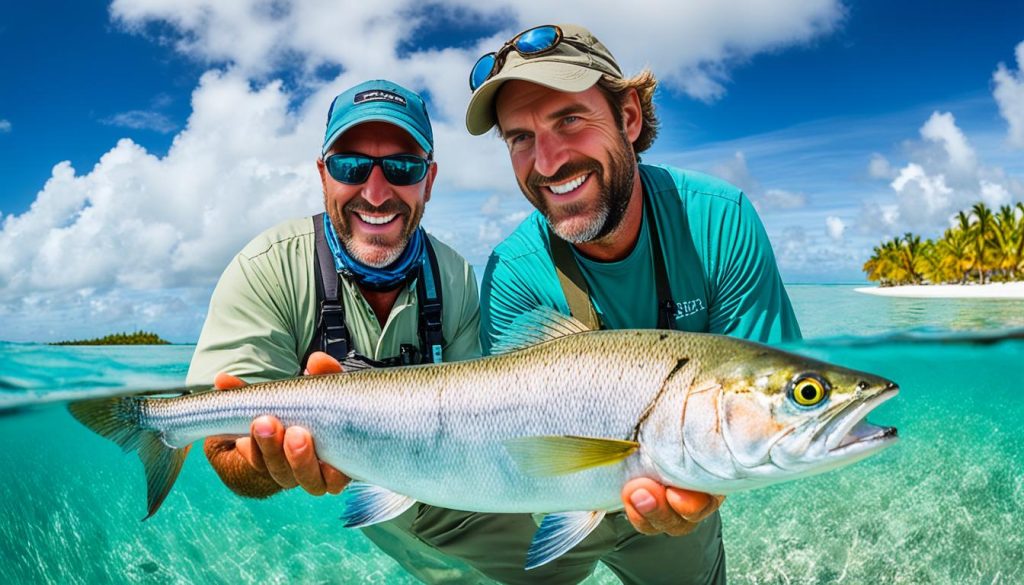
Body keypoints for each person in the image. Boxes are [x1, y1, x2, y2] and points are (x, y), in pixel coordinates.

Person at [461, 23, 803, 584]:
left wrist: (700, 484)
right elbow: (521, 445)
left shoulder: (720, 220)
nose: (546, 161)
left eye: (569, 119)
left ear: (629, 117)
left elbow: (754, 412)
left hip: (682, 497)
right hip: (554, 498)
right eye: (519, 137)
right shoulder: (512, 270)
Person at [186, 79, 490, 583]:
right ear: (323, 175)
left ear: (429, 180)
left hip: (441, 481)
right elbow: (221, 447)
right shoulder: (266, 268)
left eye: (402, 167)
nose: (375, 192)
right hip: (363, 482)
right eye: (350, 166)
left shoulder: (456, 276)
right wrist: (263, 462)